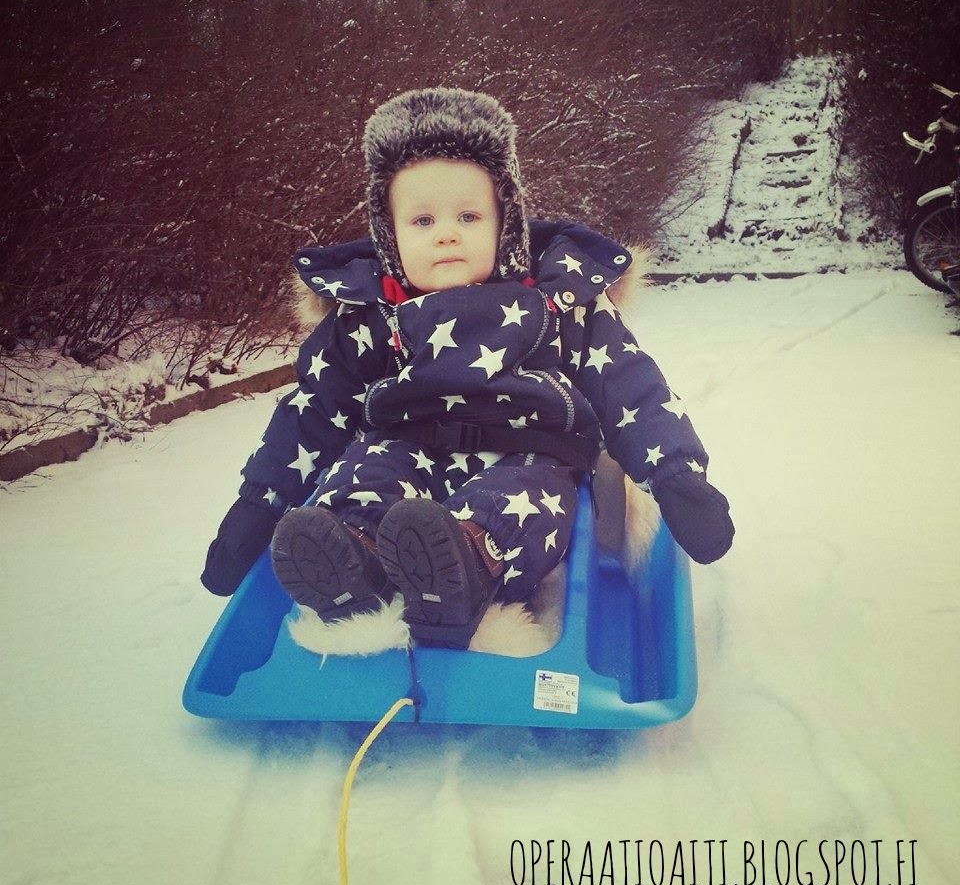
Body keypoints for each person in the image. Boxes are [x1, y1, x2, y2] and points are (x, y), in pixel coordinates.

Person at [201, 87, 734, 648]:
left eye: (468, 215)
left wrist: (676, 474)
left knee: (525, 504)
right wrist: (257, 504)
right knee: (361, 477)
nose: (446, 233)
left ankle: (467, 563)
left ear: (506, 223)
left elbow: (629, 385)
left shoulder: (556, 299)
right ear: (389, 236)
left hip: (528, 452)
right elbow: (313, 410)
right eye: (422, 220)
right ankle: (356, 562)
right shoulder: (368, 314)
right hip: (402, 445)